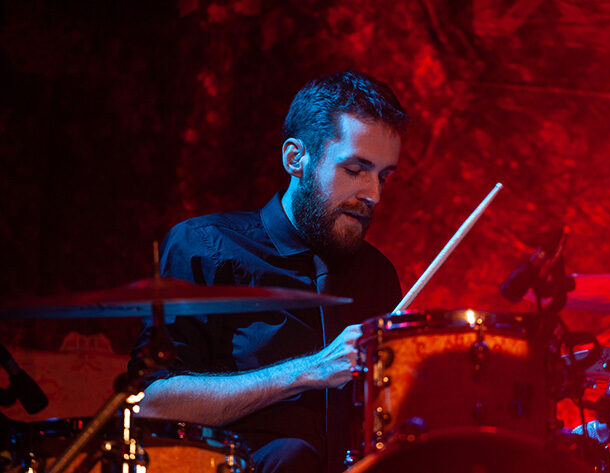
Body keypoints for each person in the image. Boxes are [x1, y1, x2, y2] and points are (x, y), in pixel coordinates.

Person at [129, 71, 409, 473]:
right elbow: (151, 404)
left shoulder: (378, 274)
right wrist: (308, 371)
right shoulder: (205, 246)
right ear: (296, 159)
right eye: (355, 169)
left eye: (383, 176)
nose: (374, 194)